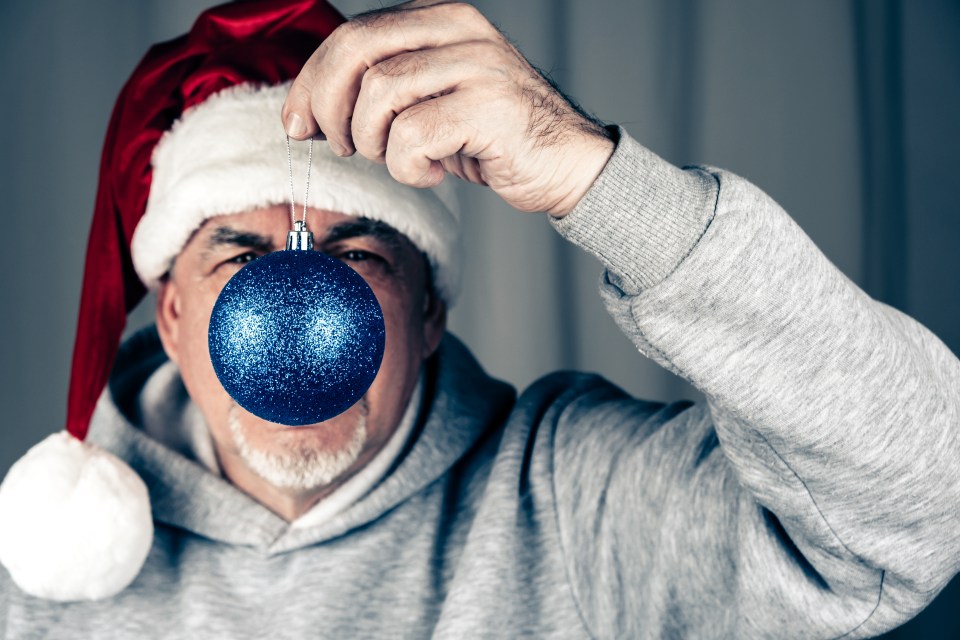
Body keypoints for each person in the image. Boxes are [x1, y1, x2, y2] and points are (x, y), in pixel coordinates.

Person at [1, 0, 958, 637]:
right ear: (169, 317)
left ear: (427, 313)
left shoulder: (576, 501)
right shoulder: (40, 571)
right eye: (240, 258)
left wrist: (596, 178)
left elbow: (923, 503)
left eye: (361, 256)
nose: (297, 309)